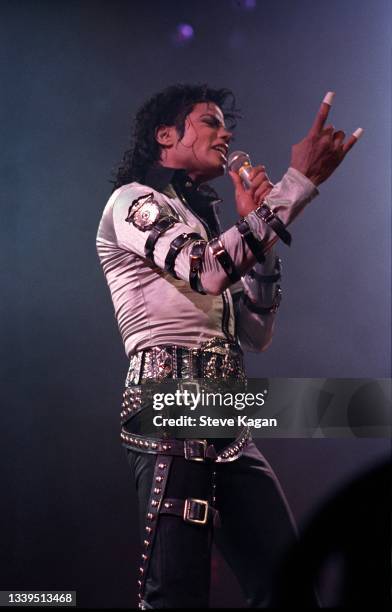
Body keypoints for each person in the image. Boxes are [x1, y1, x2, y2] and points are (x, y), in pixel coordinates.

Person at [96, 84, 360, 609]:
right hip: (169, 402)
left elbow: (257, 333)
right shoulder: (132, 201)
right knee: (178, 593)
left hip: (227, 412)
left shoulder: (204, 223)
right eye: (211, 122)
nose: (228, 133)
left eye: (225, 124)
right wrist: (297, 183)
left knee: (288, 585)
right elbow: (208, 271)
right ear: (166, 136)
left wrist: (258, 238)